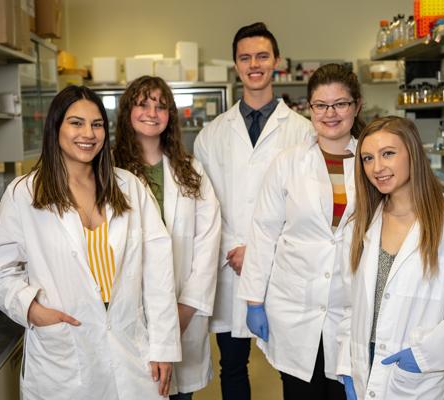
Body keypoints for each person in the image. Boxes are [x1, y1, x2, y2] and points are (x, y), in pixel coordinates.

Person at [0, 85, 181, 400]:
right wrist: (32, 309)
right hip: (64, 351)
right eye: (76, 123)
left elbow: (159, 274)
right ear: (55, 128)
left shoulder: (129, 187)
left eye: (97, 124)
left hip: (130, 344)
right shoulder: (25, 193)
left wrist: (164, 346)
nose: (88, 133)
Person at [336, 116, 444, 400]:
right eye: (367, 158)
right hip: (365, 364)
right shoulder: (360, 222)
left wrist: (421, 356)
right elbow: (349, 304)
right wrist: (347, 367)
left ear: (412, 153)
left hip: (417, 370)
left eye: (388, 154)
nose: (377, 168)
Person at [194, 22, 314, 400]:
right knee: (231, 365)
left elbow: (307, 207)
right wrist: (238, 249)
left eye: (262, 56)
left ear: (276, 61)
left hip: (285, 269)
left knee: (289, 368)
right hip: (231, 266)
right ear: (235, 65)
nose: (254, 64)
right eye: (245, 57)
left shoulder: (303, 131)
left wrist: (261, 253)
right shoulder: (211, 134)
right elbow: (205, 208)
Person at [237, 63, 363, 399]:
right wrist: (254, 301)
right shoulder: (288, 162)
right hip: (294, 309)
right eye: (321, 105)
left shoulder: (373, 162)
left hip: (351, 309)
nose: (330, 113)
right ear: (310, 109)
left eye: (340, 104)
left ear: (356, 106)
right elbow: (264, 232)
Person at [113, 75, 221, 400]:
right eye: (143, 104)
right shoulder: (109, 170)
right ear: (128, 112)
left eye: (161, 106)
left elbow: (208, 241)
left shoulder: (191, 170)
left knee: (179, 394)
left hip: (182, 308)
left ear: (171, 116)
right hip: (126, 311)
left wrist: (185, 308)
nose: (152, 112)